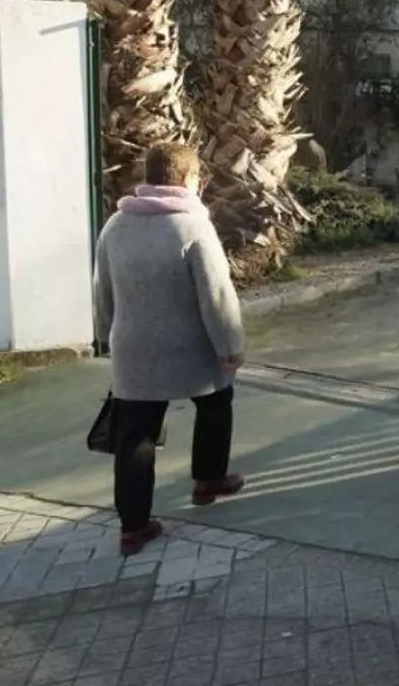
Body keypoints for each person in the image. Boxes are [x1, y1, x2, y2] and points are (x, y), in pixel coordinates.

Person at [92, 142, 247, 557]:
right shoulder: (192, 226)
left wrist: (106, 333)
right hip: (191, 346)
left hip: (133, 348)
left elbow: (102, 289)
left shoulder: (115, 225)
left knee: (135, 436)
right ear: (188, 178)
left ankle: (133, 527)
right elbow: (216, 295)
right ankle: (209, 479)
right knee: (216, 401)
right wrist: (231, 344)